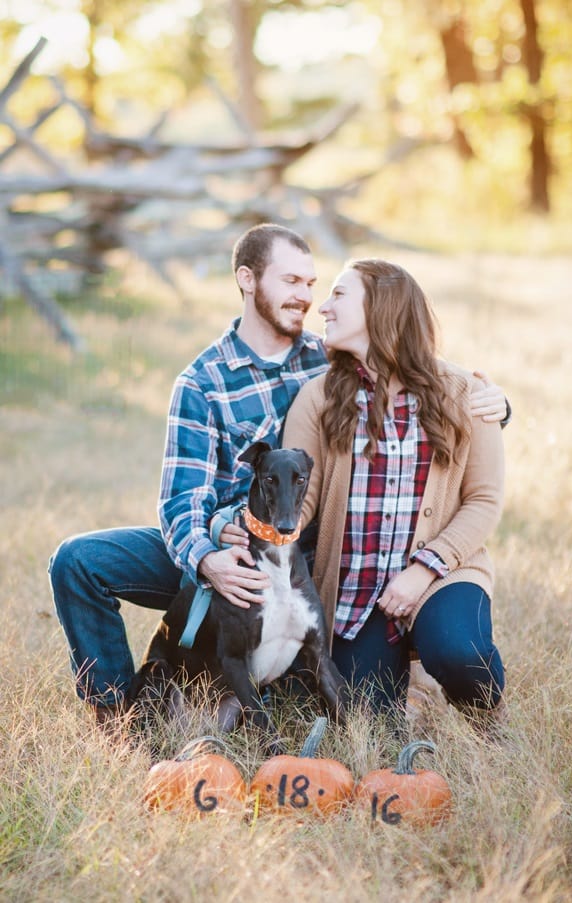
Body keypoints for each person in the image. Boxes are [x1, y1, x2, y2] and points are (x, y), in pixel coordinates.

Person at [48, 224, 508, 727]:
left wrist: (496, 404)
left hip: (296, 552)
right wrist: (208, 558)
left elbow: (416, 372)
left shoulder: (329, 358)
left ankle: (286, 676)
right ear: (248, 279)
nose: (308, 299)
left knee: (359, 705)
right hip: (222, 545)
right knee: (78, 560)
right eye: (292, 282)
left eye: (314, 285)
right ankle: (117, 716)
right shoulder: (203, 383)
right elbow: (181, 504)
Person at [279, 257, 506, 732]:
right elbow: (304, 493)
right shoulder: (318, 397)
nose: (323, 307)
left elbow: (484, 500)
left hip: (442, 573)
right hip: (358, 594)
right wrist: (271, 527)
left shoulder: (466, 392)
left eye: (339, 294)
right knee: (366, 726)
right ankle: (412, 685)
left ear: (381, 306)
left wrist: (424, 570)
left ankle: (489, 722)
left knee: (458, 651)